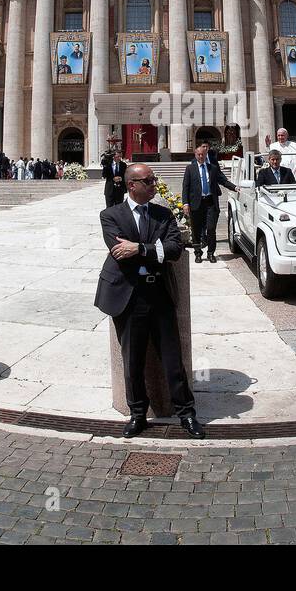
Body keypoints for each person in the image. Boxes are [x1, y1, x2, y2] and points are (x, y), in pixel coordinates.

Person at [93, 163, 204, 439]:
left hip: (159, 293)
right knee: (132, 359)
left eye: (154, 179)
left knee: (172, 358)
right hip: (128, 296)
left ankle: (186, 414)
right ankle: (137, 414)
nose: (155, 184)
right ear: (132, 185)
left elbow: (175, 249)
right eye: (149, 180)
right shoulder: (110, 215)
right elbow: (119, 250)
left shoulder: (163, 213)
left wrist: (139, 248)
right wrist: (154, 249)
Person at [181, 143, 236, 263]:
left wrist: (235, 188)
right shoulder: (190, 169)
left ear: (206, 155)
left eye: (203, 154)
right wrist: (185, 203)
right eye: (199, 154)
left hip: (210, 203)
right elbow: (185, 187)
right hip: (196, 203)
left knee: (211, 229)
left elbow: (223, 181)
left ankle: (211, 253)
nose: (201, 156)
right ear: (195, 155)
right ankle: (198, 253)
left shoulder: (213, 168)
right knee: (196, 230)